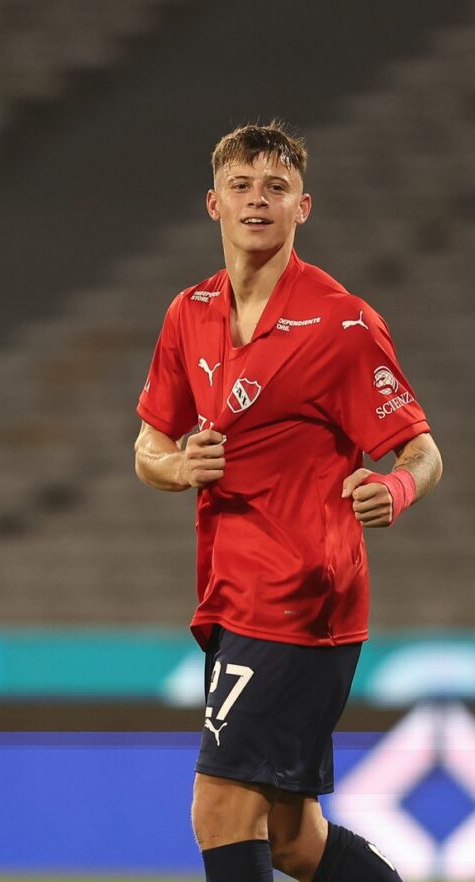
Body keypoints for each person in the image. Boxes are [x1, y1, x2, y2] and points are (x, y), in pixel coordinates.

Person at [134, 121, 443, 882]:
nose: (258, 201)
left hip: (302, 598)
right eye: (242, 186)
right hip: (232, 594)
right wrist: (179, 467)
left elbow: (422, 451)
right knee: (294, 841)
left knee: (217, 809)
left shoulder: (342, 323)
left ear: (304, 207)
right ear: (214, 204)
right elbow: (146, 450)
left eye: (277, 188)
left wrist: (395, 488)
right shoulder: (189, 313)